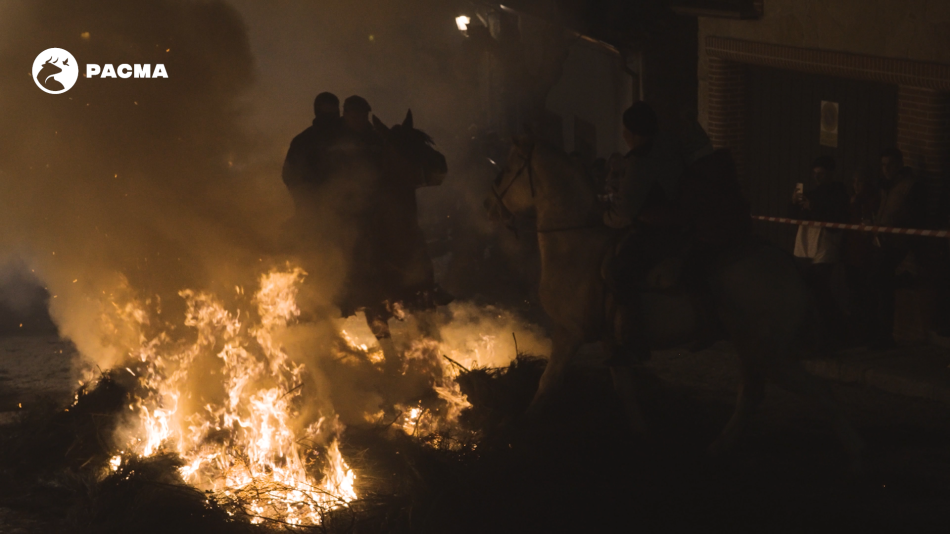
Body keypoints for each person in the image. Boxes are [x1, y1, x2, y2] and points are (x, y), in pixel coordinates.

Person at [602, 102, 684, 364]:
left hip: (657, 233)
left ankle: (633, 337)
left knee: (617, 272)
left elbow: (625, 210)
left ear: (632, 133)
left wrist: (604, 217)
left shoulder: (640, 162)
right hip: (681, 224)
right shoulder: (669, 148)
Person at [868, 148, 928, 348]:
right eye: (883, 165)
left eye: (890, 164)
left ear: (900, 165)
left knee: (880, 282)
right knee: (880, 285)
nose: (886, 169)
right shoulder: (887, 186)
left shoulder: (909, 187)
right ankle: (882, 335)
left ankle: (884, 335)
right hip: (881, 241)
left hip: (896, 243)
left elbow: (915, 218)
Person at [790, 155, 850, 346]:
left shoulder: (838, 193)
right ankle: (822, 331)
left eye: (821, 174)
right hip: (808, 246)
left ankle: (835, 330)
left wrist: (813, 207)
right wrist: (795, 203)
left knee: (820, 289)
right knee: (812, 289)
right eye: (815, 174)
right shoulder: (813, 193)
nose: (817, 178)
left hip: (826, 245)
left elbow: (834, 217)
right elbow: (796, 216)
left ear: (830, 174)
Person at [281, 92, 342, 216]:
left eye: (333, 107)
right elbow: (289, 174)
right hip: (315, 207)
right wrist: (306, 199)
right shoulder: (304, 140)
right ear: (318, 109)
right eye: (326, 107)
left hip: (347, 204)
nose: (330, 110)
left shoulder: (349, 136)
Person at [841, 168, 880, 344]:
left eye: (860, 181)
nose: (856, 185)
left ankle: (864, 333)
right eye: (854, 182)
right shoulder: (851, 200)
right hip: (851, 252)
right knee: (853, 292)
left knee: (864, 294)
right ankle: (853, 332)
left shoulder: (872, 200)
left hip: (865, 253)